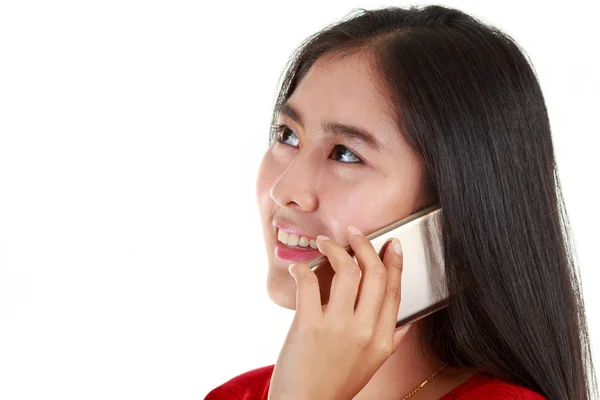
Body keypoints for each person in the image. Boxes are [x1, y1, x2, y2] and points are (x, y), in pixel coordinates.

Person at [205, 4, 597, 399]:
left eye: (345, 153)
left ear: (452, 213)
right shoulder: (240, 393)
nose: (285, 190)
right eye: (288, 135)